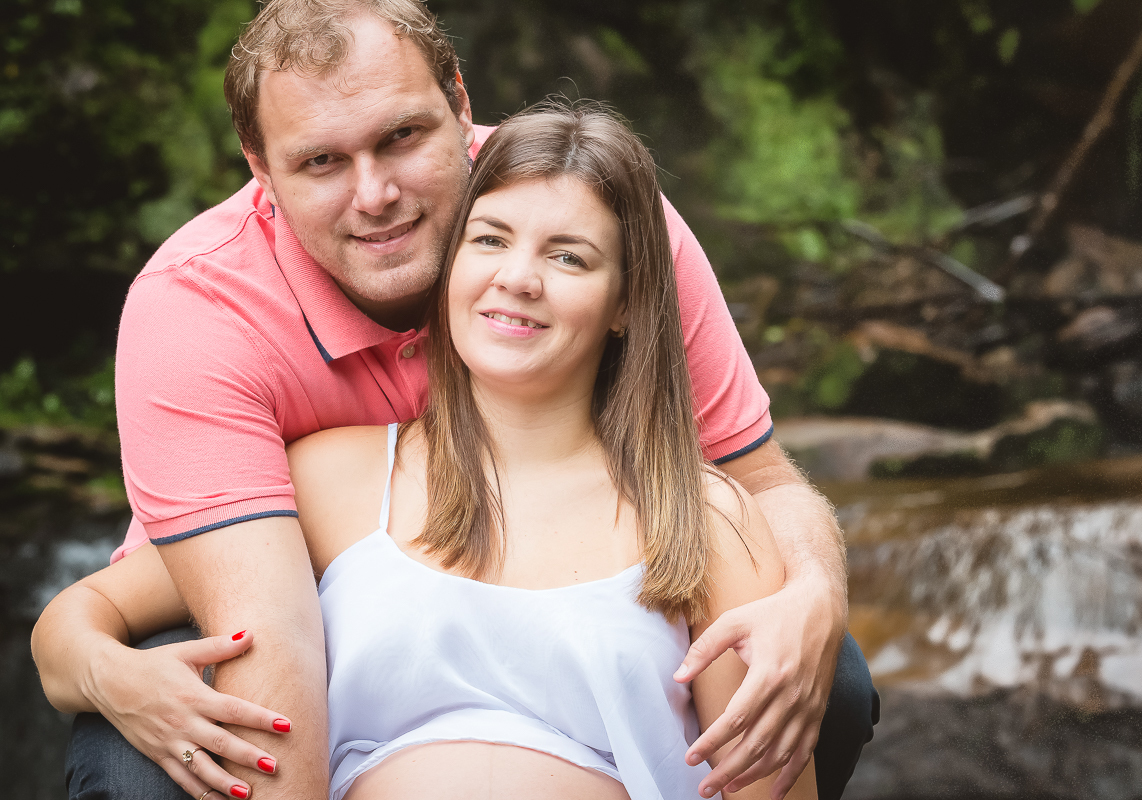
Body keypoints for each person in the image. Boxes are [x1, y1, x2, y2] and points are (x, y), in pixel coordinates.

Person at [30, 2, 877, 799]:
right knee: (159, 755)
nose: (375, 195)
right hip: (237, 589)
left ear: (460, 108)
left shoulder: (592, 206)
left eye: (401, 137)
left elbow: (761, 482)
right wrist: (92, 662)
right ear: (261, 168)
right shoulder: (205, 314)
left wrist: (812, 598)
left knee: (813, 669)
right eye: (321, 160)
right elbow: (268, 643)